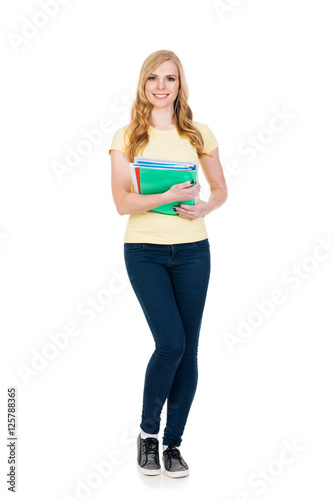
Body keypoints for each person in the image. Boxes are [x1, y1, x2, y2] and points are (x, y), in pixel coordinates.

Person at [109, 49, 228, 478]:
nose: (162, 86)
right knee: (171, 344)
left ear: (180, 85)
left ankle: (173, 444)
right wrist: (167, 196)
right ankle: (148, 434)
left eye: (170, 79)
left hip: (194, 251)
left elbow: (219, 190)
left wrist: (204, 208)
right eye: (153, 78)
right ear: (143, 85)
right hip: (144, 251)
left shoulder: (199, 133)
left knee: (189, 350)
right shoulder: (128, 137)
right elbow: (122, 202)